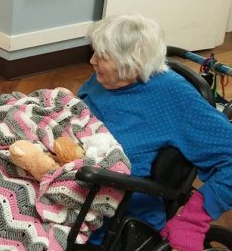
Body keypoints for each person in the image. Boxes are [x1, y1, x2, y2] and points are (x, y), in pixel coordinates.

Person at [77, 14, 232, 251]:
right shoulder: (106, 77)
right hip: (67, 179)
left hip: (109, 206)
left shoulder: (174, 97)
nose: (92, 60)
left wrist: (193, 219)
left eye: (102, 55)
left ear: (133, 63)